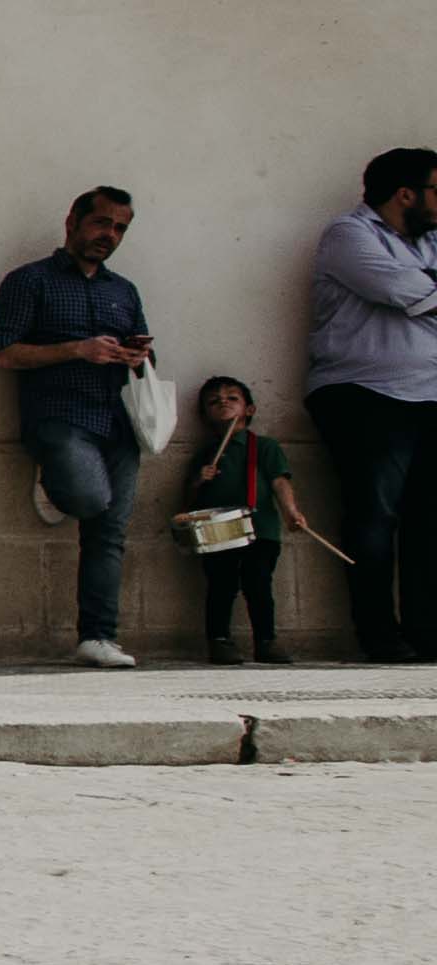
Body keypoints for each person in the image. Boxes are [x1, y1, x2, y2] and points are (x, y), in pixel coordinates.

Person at [0, 185, 155, 666]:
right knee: (89, 500)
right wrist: (77, 349)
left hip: (116, 422)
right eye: (102, 223)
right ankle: (56, 480)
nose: (110, 235)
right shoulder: (29, 281)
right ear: (73, 222)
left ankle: (98, 638)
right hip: (59, 418)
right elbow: (0, 353)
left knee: (108, 534)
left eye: (119, 228)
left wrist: (135, 355)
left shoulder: (124, 290)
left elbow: (145, 358)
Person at [308, 150, 437, 664]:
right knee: (374, 516)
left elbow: (415, 294)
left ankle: (427, 633)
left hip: (430, 394)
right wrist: (423, 292)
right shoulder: (349, 234)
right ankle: (379, 635)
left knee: (429, 521)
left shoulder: (430, 240)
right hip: (365, 394)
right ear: (405, 193)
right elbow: (394, 289)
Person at [169, 375, 326, 667]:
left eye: (232, 399)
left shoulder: (264, 447)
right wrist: (197, 481)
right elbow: (188, 500)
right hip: (217, 532)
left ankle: (266, 641)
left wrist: (291, 511)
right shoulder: (205, 454)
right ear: (204, 415)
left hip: (259, 529)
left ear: (249, 410)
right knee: (220, 584)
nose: (223, 404)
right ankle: (219, 640)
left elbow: (279, 482)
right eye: (214, 402)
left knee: (259, 584)